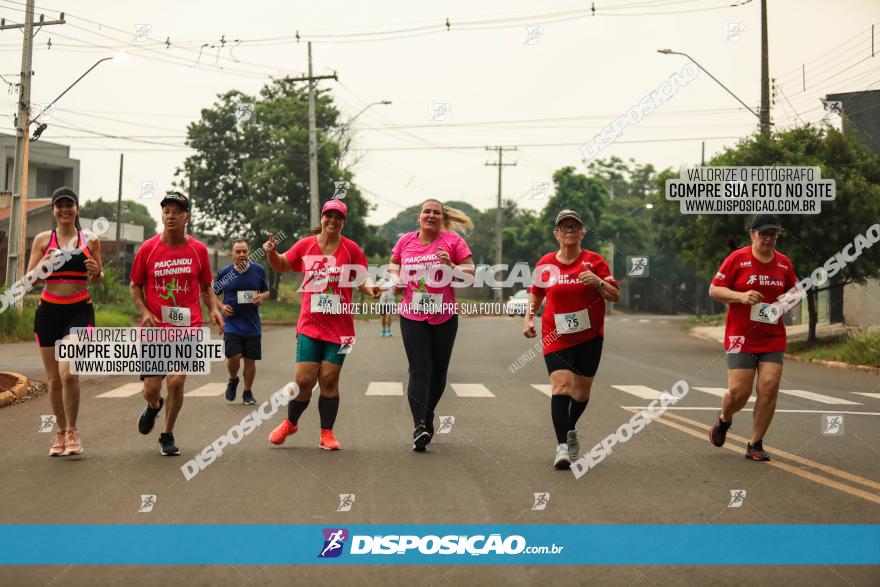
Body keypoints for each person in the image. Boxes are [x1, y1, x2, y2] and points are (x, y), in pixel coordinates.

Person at [264, 199, 377, 450]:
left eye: (338, 217)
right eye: (329, 216)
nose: (333, 221)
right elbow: (282, 264)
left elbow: (363, 278)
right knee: (303, 380)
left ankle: (327, 433)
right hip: (310, 324)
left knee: (328, 379)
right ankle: (291, 422)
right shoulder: (306, 246)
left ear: (343, 222)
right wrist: (271, 253)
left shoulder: (351, 249)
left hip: (341, 328)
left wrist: (371, 289)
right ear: (322, 218)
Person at [130, 191, 225, 456]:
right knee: (151, 389)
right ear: (162, 215)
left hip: (187, 325)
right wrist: (144, 311)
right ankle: (154, 406)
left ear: (187, 217)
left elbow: (206, 287)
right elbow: (135, 286)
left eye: (176, 211)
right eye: (166, 211)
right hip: (156, 328)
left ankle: (167, 434)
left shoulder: (198, 250)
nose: (170, 215)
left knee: (176, 381)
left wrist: (214, 309)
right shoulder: (148, 250)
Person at [524, 210, 619, 470]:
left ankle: (571, 427)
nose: (569, 231)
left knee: (581, 391)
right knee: (561, 386)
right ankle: (562, 447)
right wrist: (529, 318)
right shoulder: (545, 263)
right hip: (556, 335)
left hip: (589, 336)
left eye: (574, 227)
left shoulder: (595, 262)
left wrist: (598, 282)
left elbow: (614, 296)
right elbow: (536, 294)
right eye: (563, 227)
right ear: (556, 234)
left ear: (582, 233)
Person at [708, 214, 799, 461]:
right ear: (752, 234)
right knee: (739, 392)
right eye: (763, 234)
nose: (768, 239)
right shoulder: (737, 259)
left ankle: (755, 444)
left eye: (773, 235)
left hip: (772, 336)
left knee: (769, 387)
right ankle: (724, 418)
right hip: (740, 336)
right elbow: (714, 289)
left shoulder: (783, 263)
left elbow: (795, 291)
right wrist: (741, 296)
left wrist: (787, 300)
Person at [389, 199, 475, 452]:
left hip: (444, 315)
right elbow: (394, 264)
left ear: (442, 218)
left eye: (436, 212)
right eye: (427, 211)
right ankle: (419, 426)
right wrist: (395, 279)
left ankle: (427, 416)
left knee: (438, 372)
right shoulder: (405, 241)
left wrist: (452, 266)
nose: (431, 215)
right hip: (412, 313)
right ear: (419, 217)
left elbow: (470, 275)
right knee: (419, 369)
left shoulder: (454, 243)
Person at [28, 187, 103, 456]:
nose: (64, 210)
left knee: (69, 371)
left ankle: (73, 430)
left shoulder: (90, 240)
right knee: (53, 379)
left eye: (69, 205)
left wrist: (97, 272)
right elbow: (29, 281)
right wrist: (42, 266)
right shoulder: (41, 240)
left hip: (79, 311)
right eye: (59, 206)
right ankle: (60, 434)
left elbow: (98, 277)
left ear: (77, 209)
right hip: (48, 312)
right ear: (53, 210)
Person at [213, 239, 270, 405]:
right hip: (232, 322)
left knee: (250, 360)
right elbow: (214, 295)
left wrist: (262, 296)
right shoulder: (225, 273)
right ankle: (233, 379)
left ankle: (247, 392)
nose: (242, 254)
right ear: (232, 255)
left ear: (249, 252)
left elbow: (266, 291)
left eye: (244, 251)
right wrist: (222, 307)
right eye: (238, 252)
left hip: (252, 324)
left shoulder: (258, 270)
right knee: (234, 357)